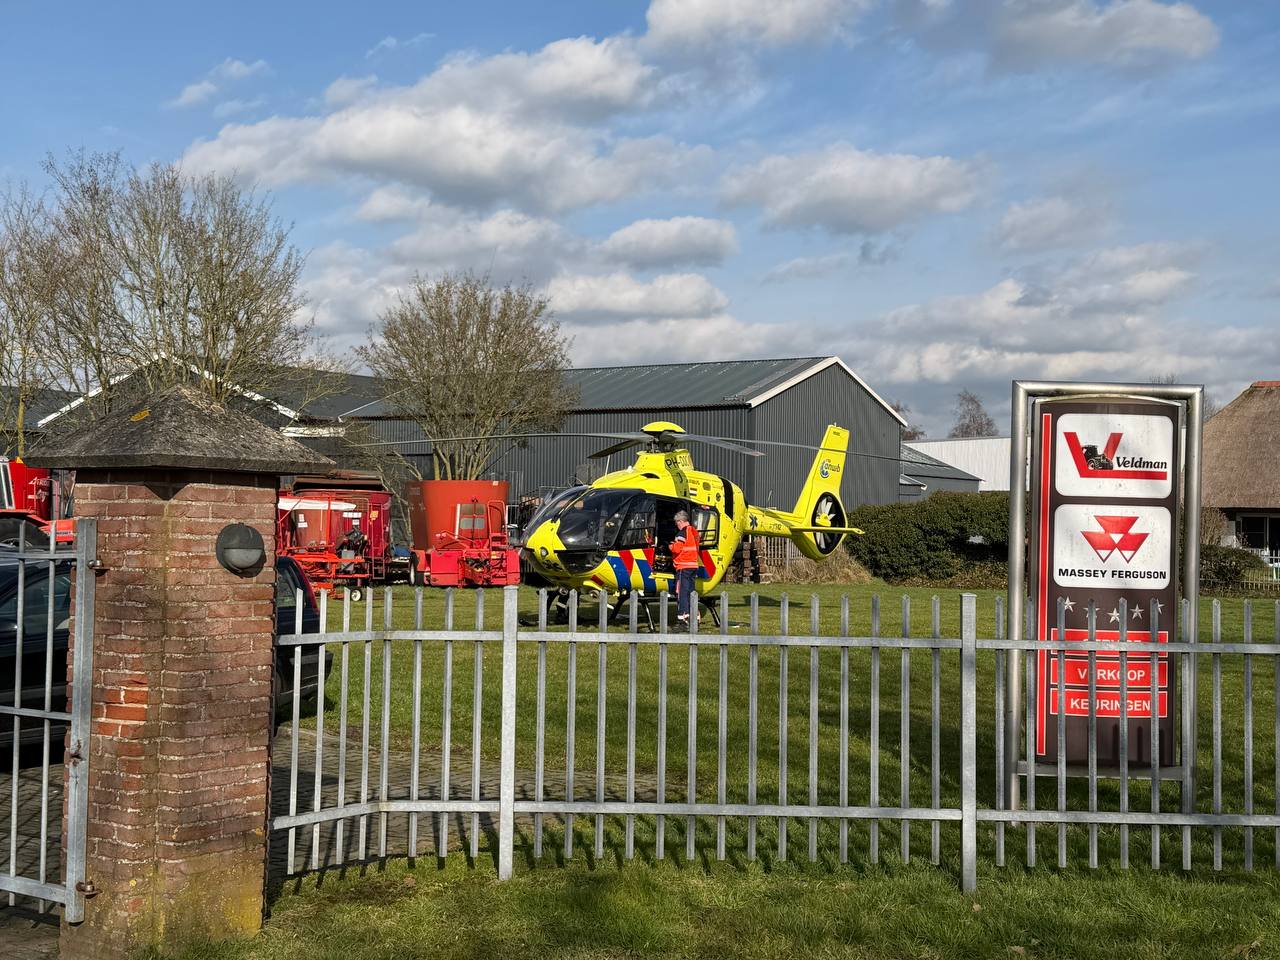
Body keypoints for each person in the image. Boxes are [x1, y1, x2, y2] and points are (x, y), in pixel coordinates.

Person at [670, 510, 701, 628]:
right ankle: (695, 618)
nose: (676, 525)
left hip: (683, 566)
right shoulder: (693, 531)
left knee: (682, 592)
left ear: (680, 521)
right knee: (691, 592)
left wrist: (670, 545)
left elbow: (677, 549)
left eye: (676, 523)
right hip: (693, 565)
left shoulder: (682, 532)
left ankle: (683, 619)